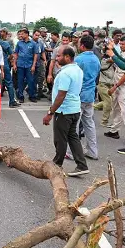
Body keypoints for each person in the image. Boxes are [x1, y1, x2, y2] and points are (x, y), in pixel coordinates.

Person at [42, 46, 89, 177]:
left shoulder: (65, 73)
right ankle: (82, 165)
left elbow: (61, 95)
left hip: (64, 111)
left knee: (60, 139)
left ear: (67, 57)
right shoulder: (77, 69)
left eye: (59, 56)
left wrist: (50, 113)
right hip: (75, 109)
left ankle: (57, 165)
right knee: (73, 137)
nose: (56, 59)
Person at [66, 35, 100, 160]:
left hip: (78, 95)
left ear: (82, 46)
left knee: (73, 125)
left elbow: (73, 76)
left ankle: (70, 152)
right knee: (89, 124)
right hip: (90, 94)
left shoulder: (79, 59)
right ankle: (93, 151)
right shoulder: (96, 59)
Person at [104, 36, 125, 141]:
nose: (121, 46)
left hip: (123, 87)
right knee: (116, 108)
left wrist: (115, 86)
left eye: (123, 44)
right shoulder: (123, 53)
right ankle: (114, 131)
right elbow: (117, 58)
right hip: (117, 85)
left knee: (124, 112)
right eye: (120, 44)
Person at [14, 28, 39, 103]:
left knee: (31, 81)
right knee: (20, 81)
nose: (21, 35)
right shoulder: (19, 43)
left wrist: (34, 65)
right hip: (20, 65)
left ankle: (32, 96)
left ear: (27, 34)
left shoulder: (33, 43)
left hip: (29, 65)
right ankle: (21, 96)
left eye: (22, 34)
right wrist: (14, 64)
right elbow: (16, 54)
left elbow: (35, 55)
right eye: (20, 34)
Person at [0, 31, 19, 108]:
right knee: (9, 83)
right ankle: (12, 101)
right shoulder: (5, 43)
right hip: (4, 65)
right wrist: (8, 59)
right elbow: (12, 54)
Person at [96, 57, 116, 126]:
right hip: (102, 85)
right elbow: (111, 59)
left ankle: (92, 106)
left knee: (111, 102)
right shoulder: (104, 60)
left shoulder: (113, 63)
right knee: (108, 102)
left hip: (111, 85)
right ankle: (104, 122)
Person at [32, 30, 47, 99]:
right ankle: (31, 91)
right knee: (32, 77)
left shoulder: (40, 42)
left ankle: (39, 91)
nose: (37, 37)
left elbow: (43, 51)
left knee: (41, 76)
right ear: (33, 34)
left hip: (40, 61)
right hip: (31, 61)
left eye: (38, 35)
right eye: (36, 35)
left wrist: (45, 60)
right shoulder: (30, 42)